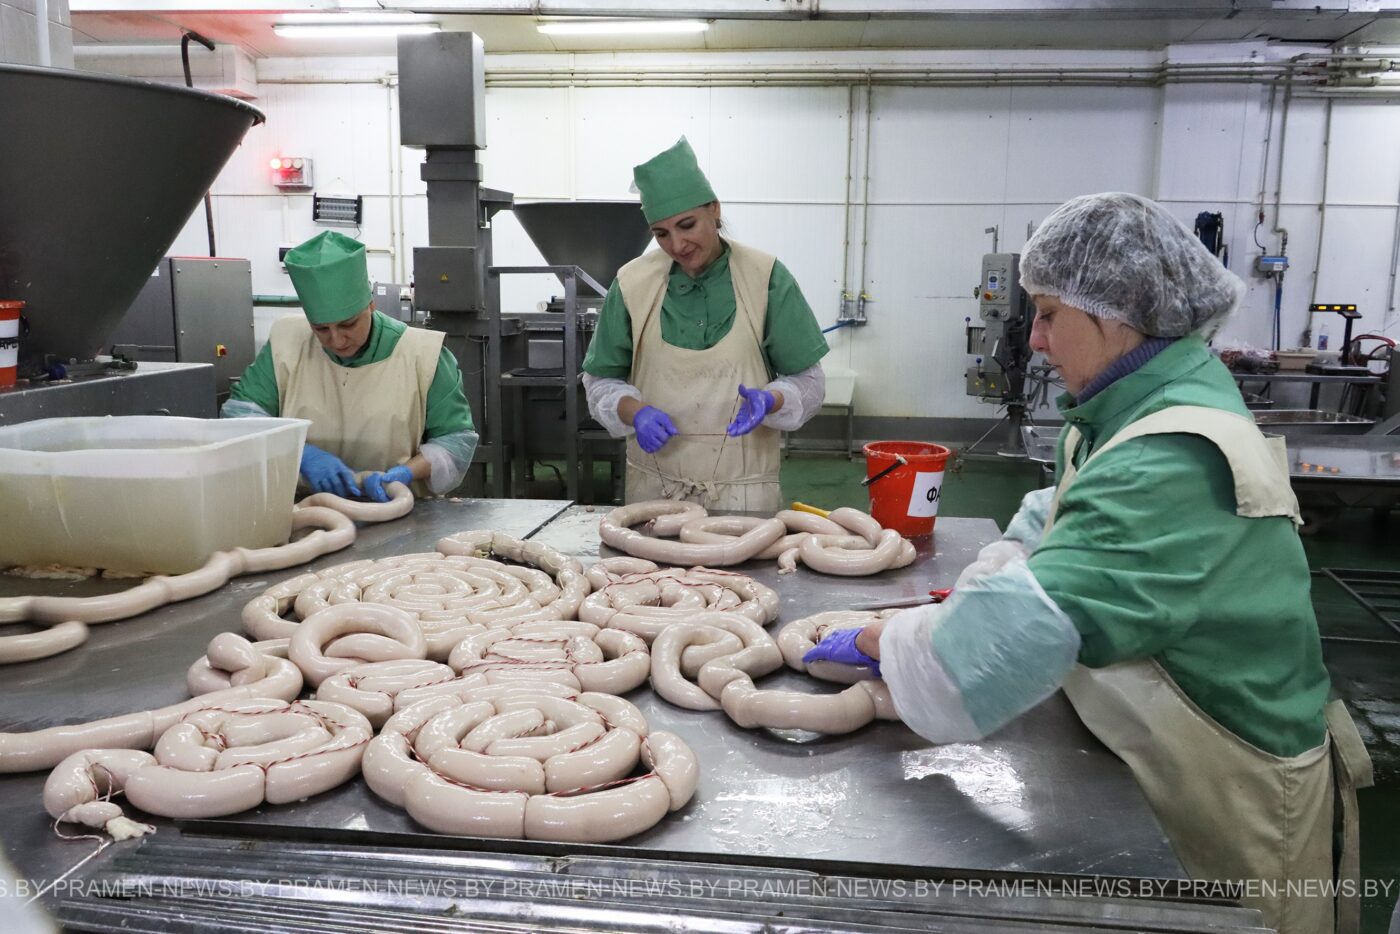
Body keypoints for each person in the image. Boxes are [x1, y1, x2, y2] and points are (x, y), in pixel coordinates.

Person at [805, 192, 1372, 934]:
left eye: (1048, 314)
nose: (1037, 339)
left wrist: (886, 638)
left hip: (1233, 797)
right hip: (1157, 757)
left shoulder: (1174, 455)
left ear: (1120, 314)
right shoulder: (1129, 405)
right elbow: (1059, 515)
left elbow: (1010, 642)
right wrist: (987, 578)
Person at [582, 138, 829, 511]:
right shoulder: (632, 284)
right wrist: (634, 411)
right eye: (661, 234)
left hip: (745, 498)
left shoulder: (766, 278)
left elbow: (808, 382)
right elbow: (600, 382)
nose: (677, 244)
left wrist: (771, 399)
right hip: (655, 494)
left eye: (687, 225)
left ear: (714, 209)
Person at [222, 231, 477, 502]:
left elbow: (455, 444)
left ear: (371, 305)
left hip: (398, 506)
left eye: (348, 324)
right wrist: (300, 453)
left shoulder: (423, 355)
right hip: (301, 506)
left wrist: (405, 473)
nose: (337, 340)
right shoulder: (286, 343)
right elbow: (239, 420)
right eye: (321, 329)